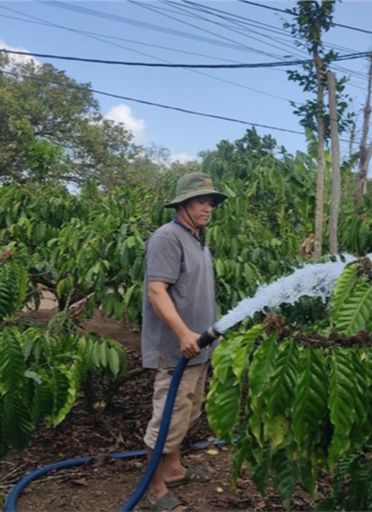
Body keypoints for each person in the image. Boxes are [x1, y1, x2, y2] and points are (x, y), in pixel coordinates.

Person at [141, 172, 227, 512]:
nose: (208, 207)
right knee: (167, 421)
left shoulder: (197, 238)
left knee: (187, 414)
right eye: (201, 201)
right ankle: (155, 491)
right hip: (177, 349)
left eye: (211, 202)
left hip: (199, 348)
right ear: (183, 204)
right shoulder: (168, 237)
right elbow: (156, 291)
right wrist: (183, 334)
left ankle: (173, 469)